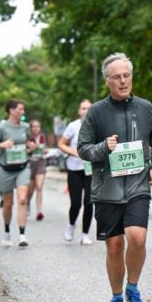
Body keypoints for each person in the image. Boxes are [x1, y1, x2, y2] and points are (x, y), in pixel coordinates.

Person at [77, 53, 152, 302]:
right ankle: (116, 297)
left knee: (137, 238)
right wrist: (104, 147)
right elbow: (82, 149)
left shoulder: (146, 108)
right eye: (117, 77)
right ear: (107, 81)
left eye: (127, 75)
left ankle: (133, 289)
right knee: (114, 246)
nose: (123, 81)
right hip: (106, 190)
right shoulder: (96, 112)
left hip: (138, 186)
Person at [0, 99, 37, 247]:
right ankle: (6, 232)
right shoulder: (1, 127)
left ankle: (22, 235)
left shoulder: (25, 127)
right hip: (6, 169)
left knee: (22, 199)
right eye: (20, 109)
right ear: (11, 110)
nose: (23, 112)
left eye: (23, 109)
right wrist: (2, 145)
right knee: (8, 204)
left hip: (23, 167)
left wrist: (31, 146)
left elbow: (29, 143)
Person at [58, 100, 94, 245]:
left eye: (89, 108)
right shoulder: (73, 126)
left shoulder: (96, 126)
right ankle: (71, 225)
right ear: (79, 111)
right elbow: (61, 144)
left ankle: (85, 234)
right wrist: (73, 151)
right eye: (83, 108)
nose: (86, 111)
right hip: (74, 169)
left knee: (89, 202)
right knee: (76, 203)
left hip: (91, 170)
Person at [26, 118, 48, 220]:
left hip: (41, 163)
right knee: (30, 190)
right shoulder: (27, 138)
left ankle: (39, 212)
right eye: (34, 126)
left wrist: (44, 150)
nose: (36, 128)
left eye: (37, 126)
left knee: (39, 187)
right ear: (31, 128)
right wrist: (32, 148)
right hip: (30, 164)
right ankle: (27, 203)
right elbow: (26, 152)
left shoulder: (42, 137)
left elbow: (46, 150)